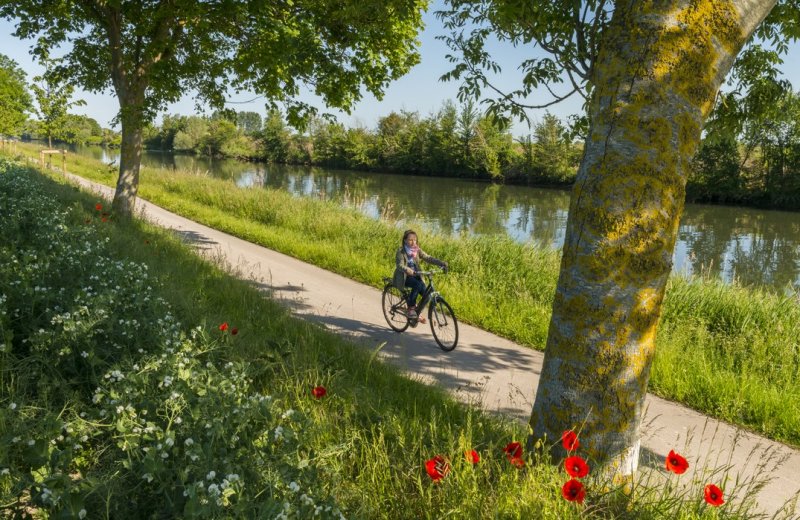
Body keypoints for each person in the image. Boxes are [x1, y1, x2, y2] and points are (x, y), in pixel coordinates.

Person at [392, 229, 448, 323]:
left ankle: (417, 312)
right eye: (410, 240)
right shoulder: (401, 251)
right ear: (405, 240)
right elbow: (399, 265)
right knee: (417, 285)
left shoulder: (417, 250)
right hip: (404, 276)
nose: (413, 242)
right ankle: (411, 309)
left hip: (416, 275)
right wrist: (409, 270)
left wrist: (441, 263)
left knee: (427, 295)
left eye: (414, 240)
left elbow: (428, 258)